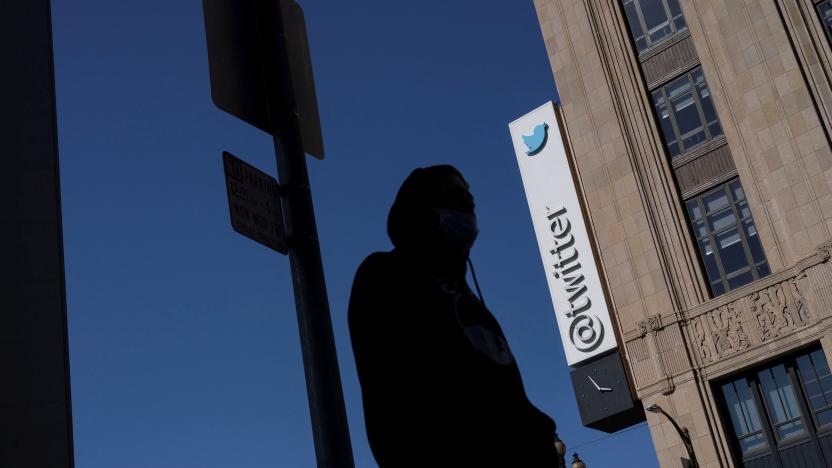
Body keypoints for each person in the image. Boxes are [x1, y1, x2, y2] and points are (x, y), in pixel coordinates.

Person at [348, 165, 558, 467]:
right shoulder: (385, 273)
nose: (468, 205)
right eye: (454, 196)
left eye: (469, 198)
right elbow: (390, 398)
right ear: (420, 209)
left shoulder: (472, 301)